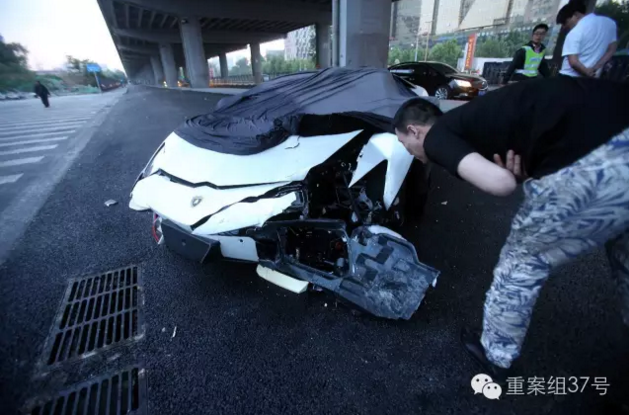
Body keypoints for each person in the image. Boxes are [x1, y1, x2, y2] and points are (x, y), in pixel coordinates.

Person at [393, 76, 629, 378]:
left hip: (595, 158)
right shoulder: (473, 119)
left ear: (415, 130)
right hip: (617, 119)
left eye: (403, 142)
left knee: (521, 263)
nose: (407, 149)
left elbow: (501, 183)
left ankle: (495, 354)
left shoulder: (436, 137)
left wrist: (513, 177)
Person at [557, 0, 617, 78]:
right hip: (592, 78)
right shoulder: (609, 23)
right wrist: (595, 68)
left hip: (568, 76)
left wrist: (587, 72)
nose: (565, 26)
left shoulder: (575, 32)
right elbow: (612, 49)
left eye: (565, 22)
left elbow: (573, 62)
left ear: (576, 15)